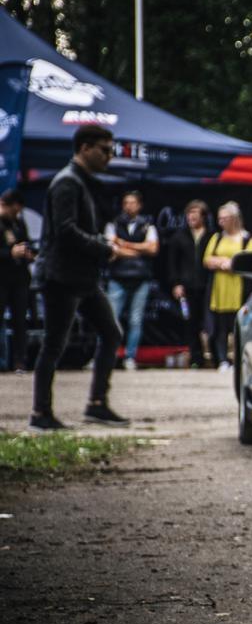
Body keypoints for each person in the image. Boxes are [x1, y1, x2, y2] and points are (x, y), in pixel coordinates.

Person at [30, 124, 134, 430]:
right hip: (61, 277)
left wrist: (101, 244)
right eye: (105, 150)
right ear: (85, 148)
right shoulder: (67, 182)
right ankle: (40, 413)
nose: (109, 156)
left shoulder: (80, 181)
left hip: (81, 277)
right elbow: (65, 231)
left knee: (111, 333)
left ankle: (97, 404)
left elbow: (77, 230)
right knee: (54, 344)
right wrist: (104, 248)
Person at [104, 190, 159, 370]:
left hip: (140, 278)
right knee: (111, 319)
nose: (129, 206)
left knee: (136, 320)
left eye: (132, 202)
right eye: (126, 202)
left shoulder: (147, 226)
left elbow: (153, 249)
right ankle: (106, 356)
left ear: (139, 205)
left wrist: (124, 244)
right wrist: (138, 250)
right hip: (117, 277)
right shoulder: (113, 224)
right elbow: (111, 250)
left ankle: (130, 357)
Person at [202, 202, 252, 370]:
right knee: (220, 328)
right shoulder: (217, 238)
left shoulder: (246, 239)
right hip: (220, 290)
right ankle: (222, 360)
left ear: (234, 218)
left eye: (225, 218)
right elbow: (207, 259)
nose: (221, 221)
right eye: (219, 218)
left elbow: (250, 260)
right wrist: (222, 262)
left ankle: (239, 360)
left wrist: (232, 264)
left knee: (238, 328)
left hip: (239, 289)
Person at [166, 200, 211, 367]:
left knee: (208, 321)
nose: (191, 217)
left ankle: (213, 354)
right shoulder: (179, 236)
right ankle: (196, 357)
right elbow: (172, 263)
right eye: (189, 214)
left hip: (207, 285)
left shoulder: (212, 235)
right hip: (187, 286)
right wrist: (176, 283)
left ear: (203, 216)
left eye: (195, 214)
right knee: (191, 322)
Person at [1, 190, 35, 372]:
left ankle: (19, 361)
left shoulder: (18, 222)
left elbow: (26, 242)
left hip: (19, 278)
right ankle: (2, 361)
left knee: (20, 321)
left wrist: (28, 253)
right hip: (2, 278)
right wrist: (9, 253)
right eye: (14, 210)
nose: (16, 214)